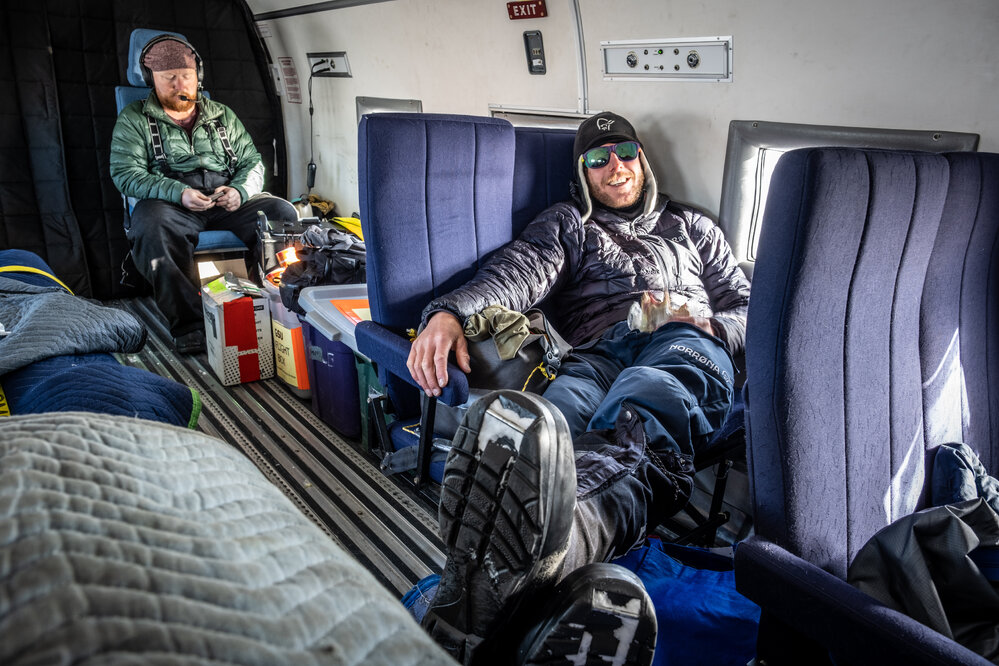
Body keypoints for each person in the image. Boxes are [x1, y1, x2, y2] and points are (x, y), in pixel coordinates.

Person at [406, 112, 751, 664]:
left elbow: (746, 303)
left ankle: (565, 545)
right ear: (582, 172)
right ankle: (520, 574)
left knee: (643, 405)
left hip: (686, 343)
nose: (615, 167)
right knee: (552, 434)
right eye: (598, 159)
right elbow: (518, 271)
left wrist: (715, 327)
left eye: (625, 153)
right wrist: (448, 312)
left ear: (643, 158)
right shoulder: (570, 223)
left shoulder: (694, 227)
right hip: (598, 350)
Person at [110, 35, 297, 353]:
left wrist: (239, 191)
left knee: (282, 214)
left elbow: (252, 163)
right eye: (168, 77)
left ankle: (270, 304)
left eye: (186, 75)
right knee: (151, 226)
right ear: (150, 81)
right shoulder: (134, 119)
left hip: (225, 200)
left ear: (199, 76)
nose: (179, 83)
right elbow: (125, 174)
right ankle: (190, 325)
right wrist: (178, 192)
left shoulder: (222, 115)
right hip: (171, 204)